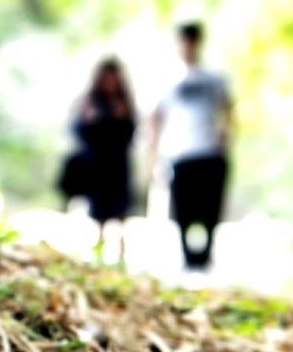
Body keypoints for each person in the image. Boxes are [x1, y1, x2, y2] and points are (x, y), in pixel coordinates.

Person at [147, 21, 233, 271]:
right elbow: (155, 116)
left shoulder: (214, 77)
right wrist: (152, 153)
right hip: (179, 151)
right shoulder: (166, 77)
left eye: (192, 39)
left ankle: (206, 255)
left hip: (209, 151)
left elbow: (228, 106)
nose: (188, 45)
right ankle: (187, 257)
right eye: (184, 40)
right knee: (182, 207)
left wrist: (227, 132)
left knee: (210, 207)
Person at [68, 57, 136, 261]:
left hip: (118, 165)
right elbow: (78, 132)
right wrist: (89, 119)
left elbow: (130, 133)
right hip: (97, 166)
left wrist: (121, 117)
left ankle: (122, 251)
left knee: (121, 208)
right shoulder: (89, 102)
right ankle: (99, 247)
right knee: (99, 209)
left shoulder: (124, 102)